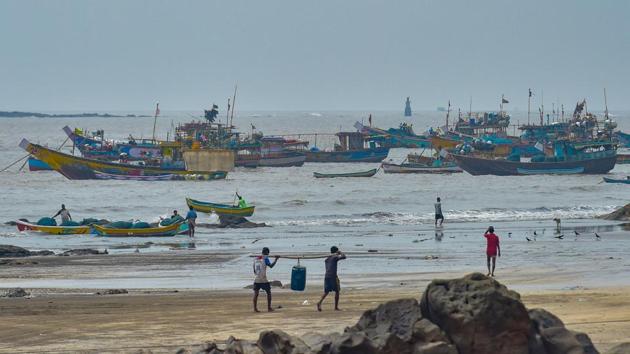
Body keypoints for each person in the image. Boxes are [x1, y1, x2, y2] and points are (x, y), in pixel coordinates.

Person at [317, 246, 346, 312]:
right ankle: (336, 307)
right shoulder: (334, 257)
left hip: (327, 276)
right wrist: (340, 252)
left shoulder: (327, 259)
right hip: (333, 276)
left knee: (326, 292)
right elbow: (344, 256)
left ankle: (319, 302)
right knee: (337, 291)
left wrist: (337, 254)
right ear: (336, 251)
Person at [252, 247, 279, 312]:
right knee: (268, 292)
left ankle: (255, 308)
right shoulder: (265, 258)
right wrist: (276, 259)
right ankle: (269, 308)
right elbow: (271, 266)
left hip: (256, 279)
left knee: (256, 294)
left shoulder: (255, 259)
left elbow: (254, 270)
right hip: (263, 279)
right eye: (268, 253)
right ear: (267, 252)